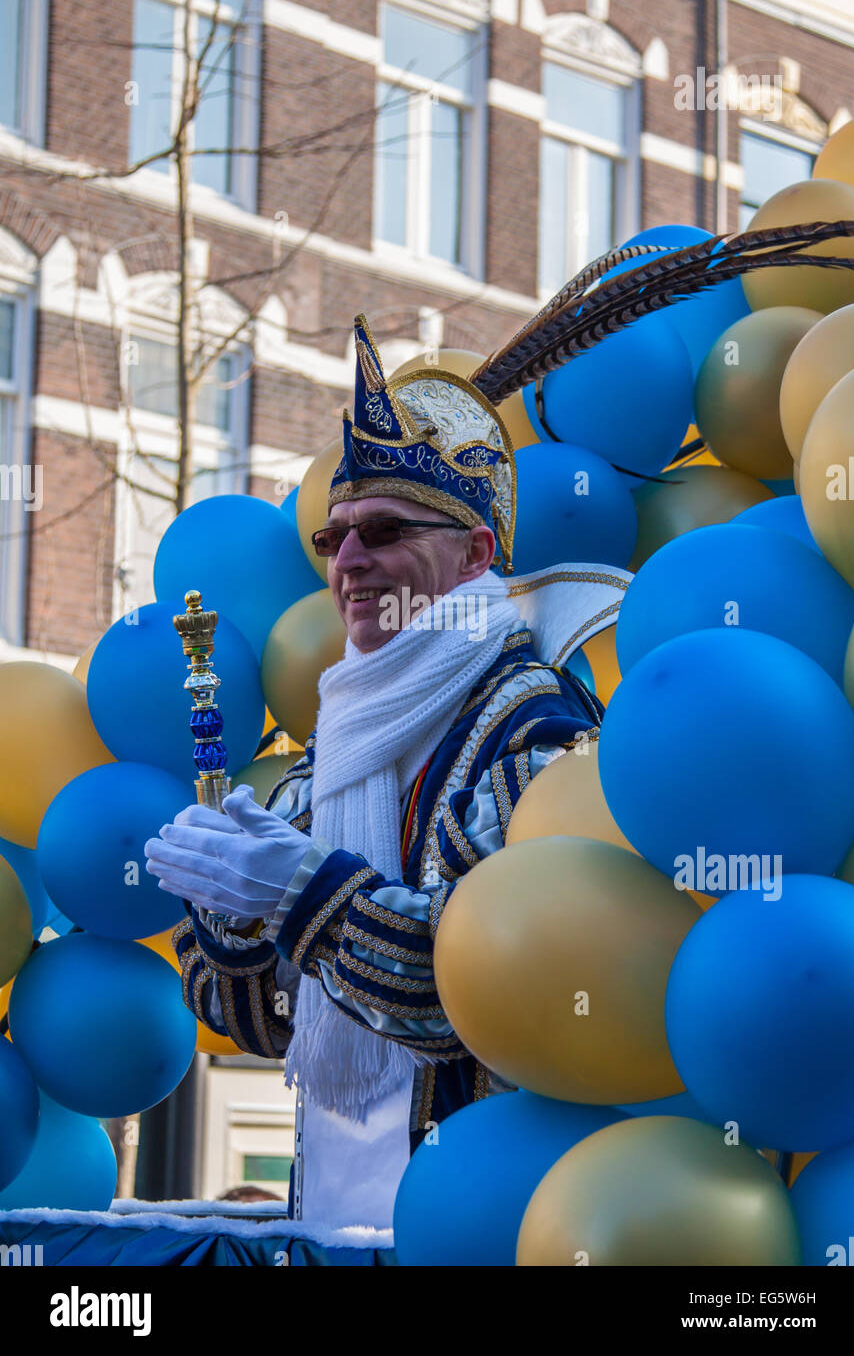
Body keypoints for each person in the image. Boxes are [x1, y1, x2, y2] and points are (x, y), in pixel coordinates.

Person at [145, 314, 630, 1229]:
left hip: (475, 1220)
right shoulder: (331, 749)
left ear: (477, 554)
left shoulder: (539, 731)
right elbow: (261, 1024)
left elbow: (489, 994)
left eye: (383, 530)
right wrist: (224, 917)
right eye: (335, 540)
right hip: (328, 1222)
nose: (350, 563)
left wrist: (301, 891)